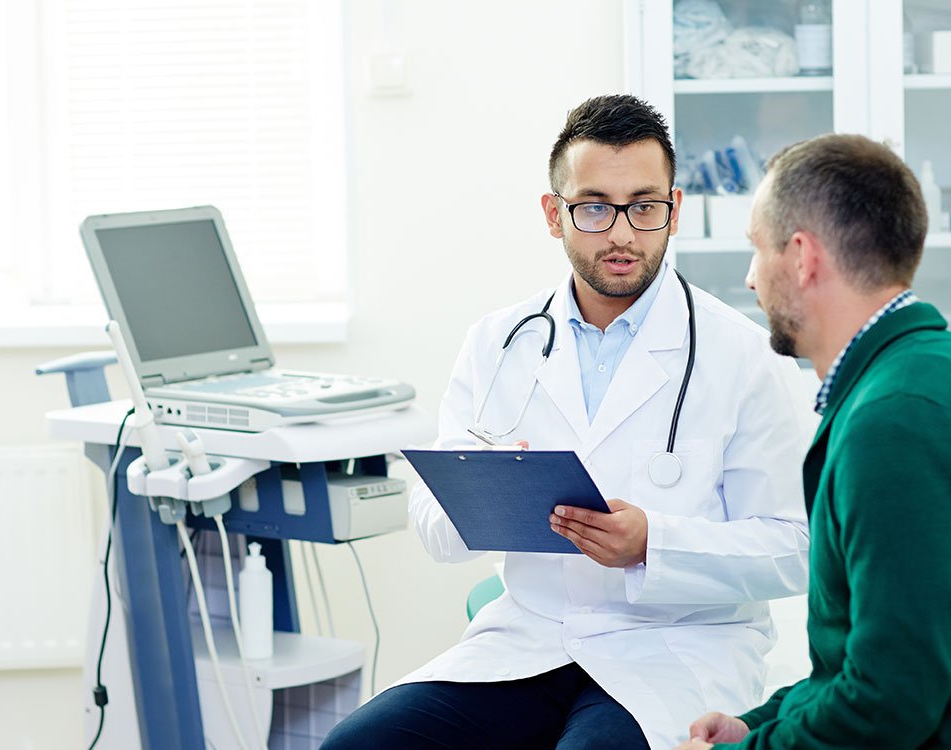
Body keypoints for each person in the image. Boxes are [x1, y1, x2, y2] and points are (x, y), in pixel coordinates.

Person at [321, 95, 812, 749]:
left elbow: (795, 546)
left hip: (676, 650)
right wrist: (484, 498)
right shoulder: (498, 343)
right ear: (554, 215)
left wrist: (653, 545)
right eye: (594, 207)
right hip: (529, 642)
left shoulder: (743, 354)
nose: (622, 233)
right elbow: (434, 527)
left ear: (675, 208)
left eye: (644, 206)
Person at [678, 133, 951, 749]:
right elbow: (858, 669)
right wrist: (754, 727)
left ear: (803, 257)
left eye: (757, 249)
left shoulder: (897, 422)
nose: (750, 278)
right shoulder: (941, 377)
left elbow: (887, 703)